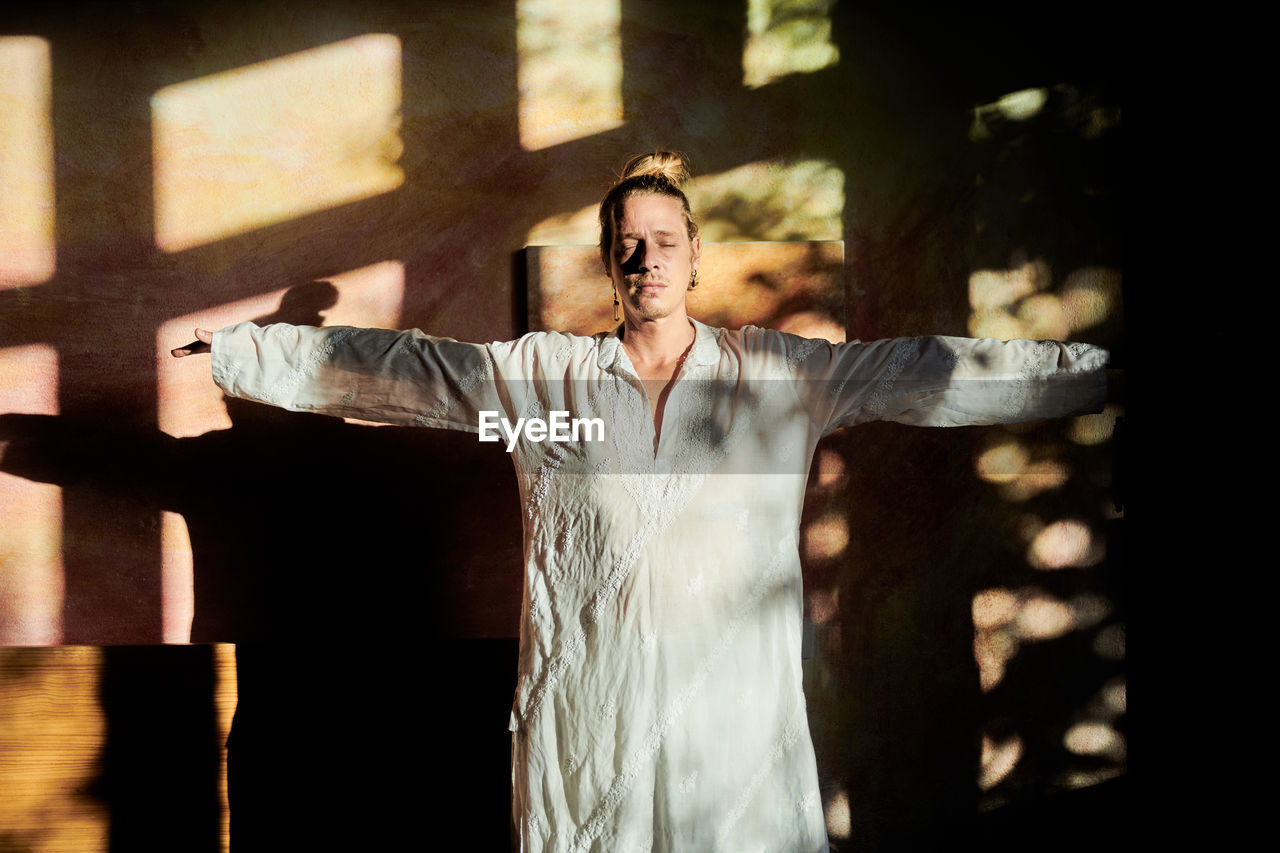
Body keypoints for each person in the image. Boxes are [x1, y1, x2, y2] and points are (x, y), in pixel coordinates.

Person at [174, 151, 1108, 852]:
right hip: (593, 715)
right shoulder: (546, 379)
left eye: (664, 241)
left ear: (693, 255)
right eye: (627, 243)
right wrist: (246, 352)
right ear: (608, 264)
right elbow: (415, 371)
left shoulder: (778, 374)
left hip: (732, 723)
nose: (644, 257)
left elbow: (931, 372)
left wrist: (1093, 372)